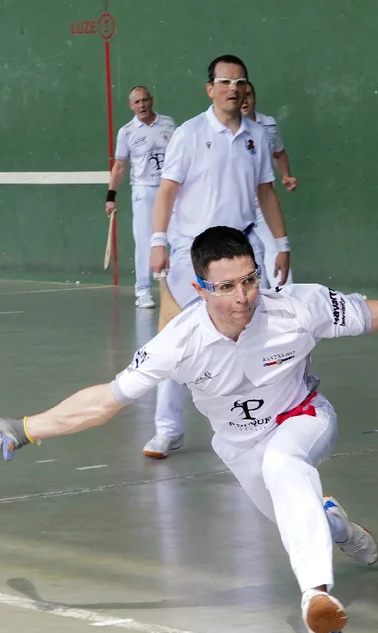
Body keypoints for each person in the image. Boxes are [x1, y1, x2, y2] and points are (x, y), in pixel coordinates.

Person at [0, 226, 378, 633]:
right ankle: (337, 524)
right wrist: (28, 428)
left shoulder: (297, 307)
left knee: (284, 463)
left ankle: (317, 600)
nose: (243, 296)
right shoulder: (177, 343)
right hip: (238, 445)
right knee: (295, 508)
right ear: (200, 289)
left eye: (249, 280)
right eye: (226, 287)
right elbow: (104, 401)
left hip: (305, 417)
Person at [143, 54, 291, 459]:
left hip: (242, 252)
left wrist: (281, 245)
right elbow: (168, 190)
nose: (233, 88)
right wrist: (158, 241)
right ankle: (167, 429)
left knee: (253, 338)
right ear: (210, 89)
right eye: (224, 82)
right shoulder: (189, 134)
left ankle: (254, 425)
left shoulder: (257, 136)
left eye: (239, 82)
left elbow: (266, 192)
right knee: (175, 339)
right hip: (193, 252)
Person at [106, 86, 176, 308]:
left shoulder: (168, 124)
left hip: (169, 188)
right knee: (145, 240)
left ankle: (177, 288)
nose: (142, 105)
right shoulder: (126, 132)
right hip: (143, 190)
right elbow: (119, 166)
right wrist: (111, 196)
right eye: (137, 102)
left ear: (151, 100)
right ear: (131, 106)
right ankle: (143, 291)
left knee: (176, 237)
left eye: (145, 100)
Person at [241, 81, 298, 290]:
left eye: (249, 95)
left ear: (255, 97)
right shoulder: (226, 130)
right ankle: (258, 297)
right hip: (238, 203)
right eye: (241, 95)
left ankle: (285, 298)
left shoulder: (268, 125)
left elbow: (279, 153)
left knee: (276, 248)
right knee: (247, 256)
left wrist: (286, 175)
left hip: (263, 201)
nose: (244, 100)